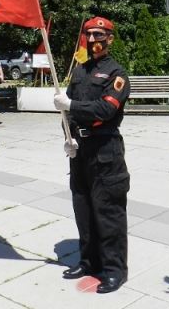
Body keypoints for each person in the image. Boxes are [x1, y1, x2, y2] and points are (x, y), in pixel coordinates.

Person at [53, 17, 131, 294]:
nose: (93, 39)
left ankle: (114, 270)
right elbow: (68, 112)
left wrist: (72, 104)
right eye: (89, 34)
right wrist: (67, 136)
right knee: (83, 209)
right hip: (80, 149)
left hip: (105, 151)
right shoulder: (80, 71)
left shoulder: (117, 74)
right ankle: (89, 261)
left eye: (99, 34)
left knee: (108, 212)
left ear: (110, 38)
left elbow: (105, 110)